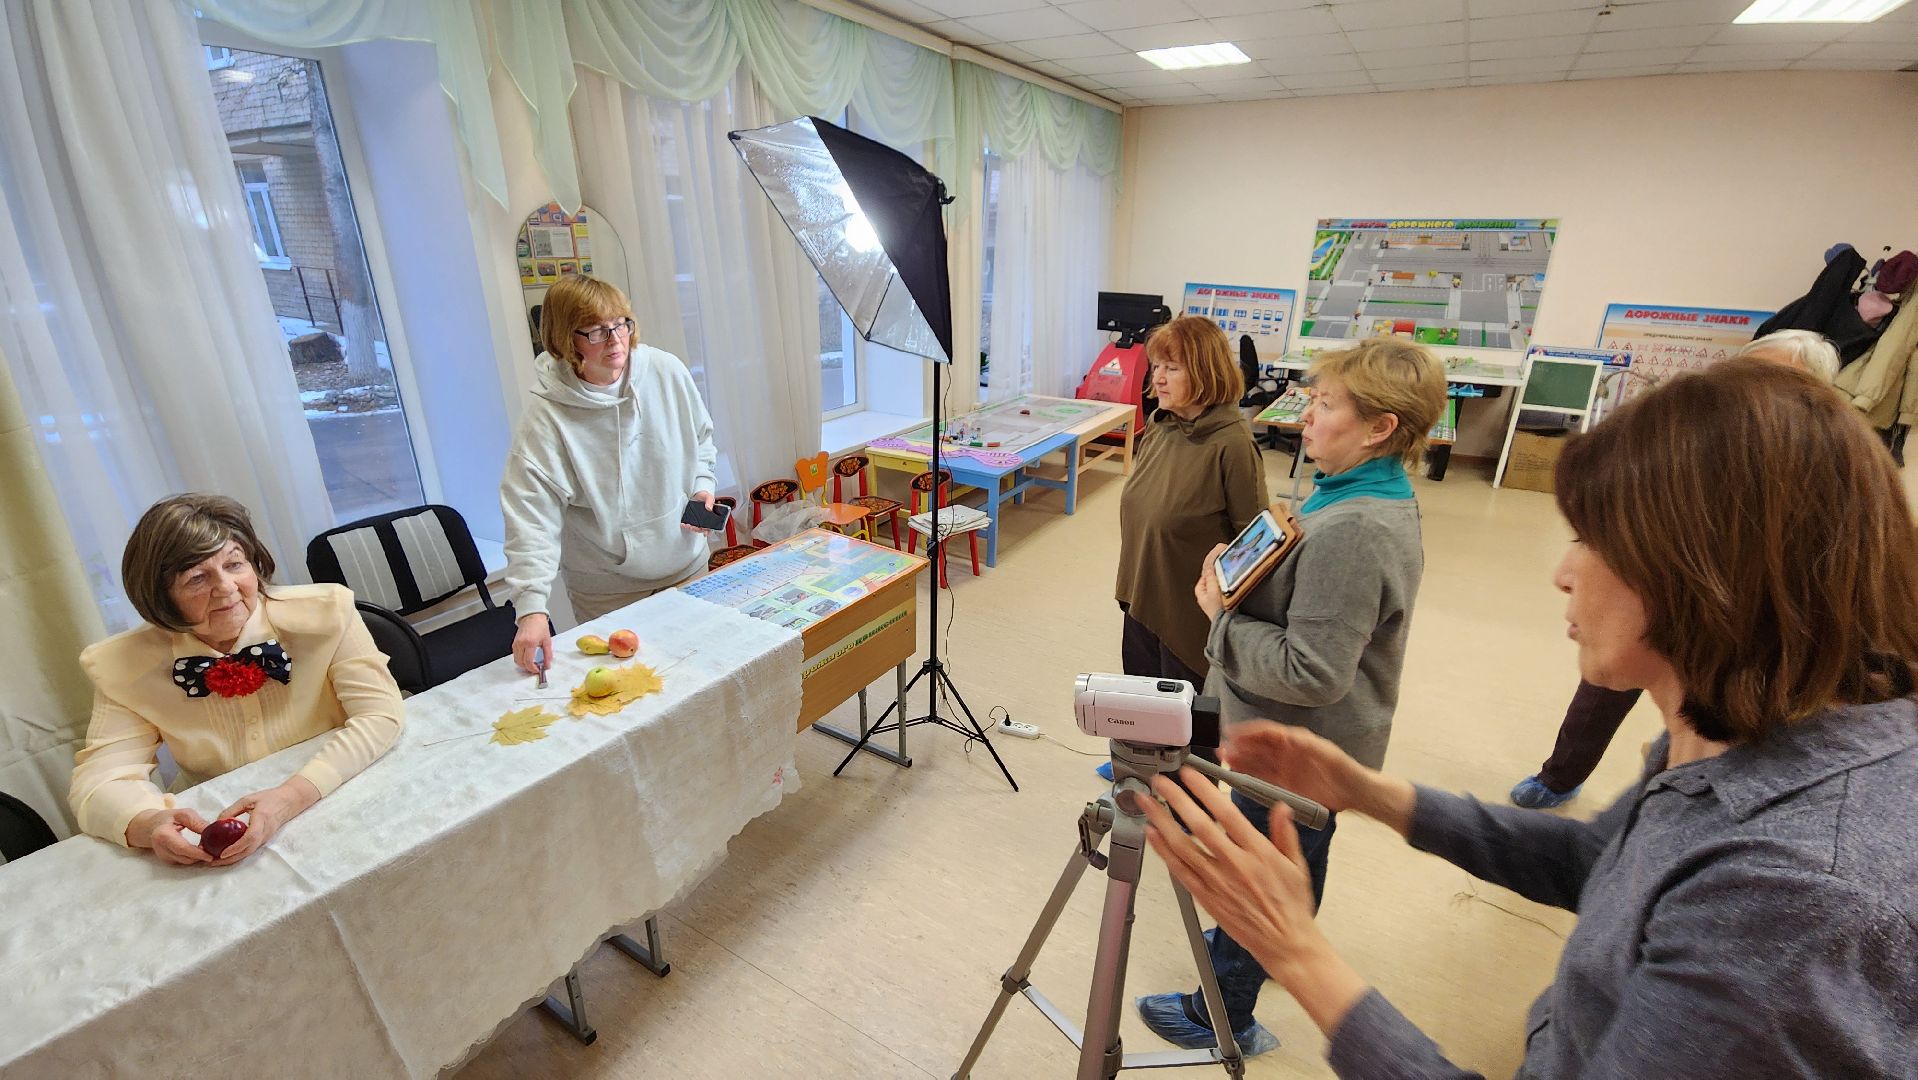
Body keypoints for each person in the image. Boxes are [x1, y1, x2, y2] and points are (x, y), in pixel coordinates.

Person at [1141, 363, 1918, 1078]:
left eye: (1591, 540)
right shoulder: (1731, 735)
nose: (1562, 573)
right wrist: (1370, 793)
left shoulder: (1787, 898)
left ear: (1705, 572)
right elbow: (1601, 861)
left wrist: (1301, 957)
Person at [1137, 337, 1447, 1058]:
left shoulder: (1355, 530)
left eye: (1326, 405)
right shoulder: (1354, 492)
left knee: (1265, 861)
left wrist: (1219, 616)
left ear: (1380, 429)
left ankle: (1224, 1015)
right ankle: (1274, 950)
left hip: (1295, 747)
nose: (1305, 415)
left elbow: (1311, 671)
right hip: (1308, 744)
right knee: (1299, 852)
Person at [1508, 328, 1842, 809]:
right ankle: (1561, 776)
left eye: (1777, 381)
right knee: (1608, 675)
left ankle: (1680, 800)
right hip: (1664, 590)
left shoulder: (1823, 467)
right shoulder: (1688, 441)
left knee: (1714, 716)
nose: (1753, 391)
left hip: (1745, 615)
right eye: (1747, 374)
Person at [69, 494, 404, 866]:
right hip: (217, 831)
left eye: (234, 564)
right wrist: (148, 824)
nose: (227, 587)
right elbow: (100, 782)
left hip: (338, 791)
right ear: (160, 597)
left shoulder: (327, 612)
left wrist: (291, 797)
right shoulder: (121, 664)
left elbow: (380, 715)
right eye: (197, 578)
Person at [501, 275, 719, 675]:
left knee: (704, 672)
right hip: (608, 590)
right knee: (631, 689)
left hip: (686, 564)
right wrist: (531, 609)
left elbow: (702, 440)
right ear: (566, 340)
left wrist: (701, 486)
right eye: (597, 331)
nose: (616, 339)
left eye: (621, 324)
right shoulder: (547, 418)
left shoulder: (666, 371)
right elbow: (530, 517)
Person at [1114, 315, 1269, 688]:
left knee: (1185, 713)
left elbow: (1255, 544)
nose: (1158, 378)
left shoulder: (1232, 444)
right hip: (1141, 590)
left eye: (1172, 368)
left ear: (1205, 373)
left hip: (1188, 612)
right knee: (1141, 704)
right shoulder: (1160, 423)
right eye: (1156, 366)